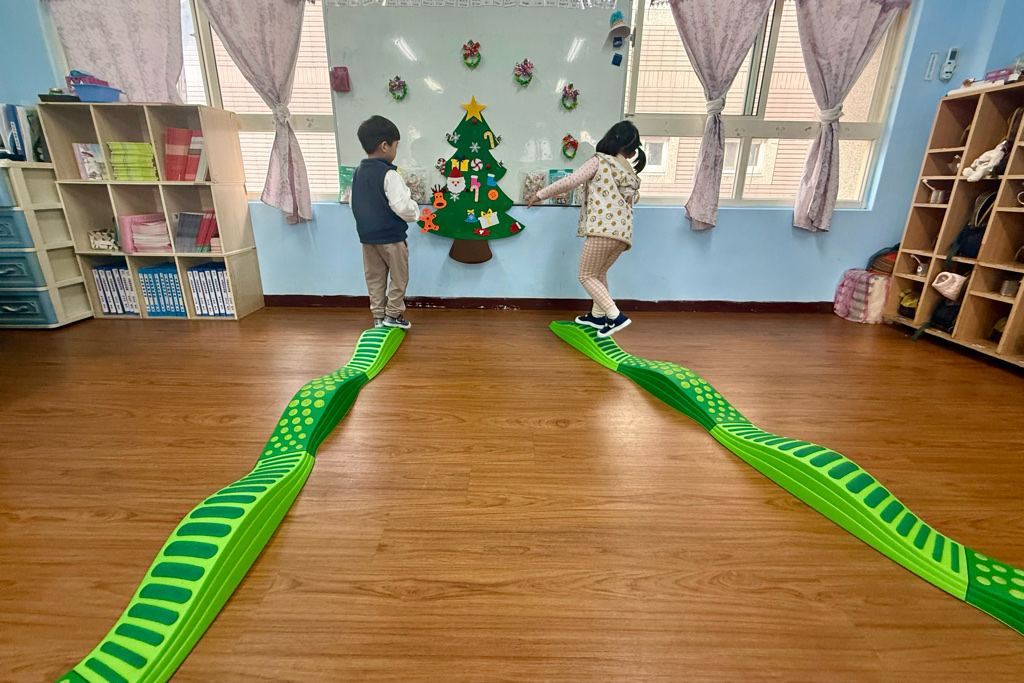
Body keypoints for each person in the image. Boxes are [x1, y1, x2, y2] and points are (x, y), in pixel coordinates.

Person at [527, 121, 644, 338]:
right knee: (598, 274)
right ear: (630, 150)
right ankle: (598, 316)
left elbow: (571, 181)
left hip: (601, 230)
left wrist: (540, 194)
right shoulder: (627, 170)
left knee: (586, 275)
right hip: (622, 235)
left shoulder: (599, 161)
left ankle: (615, 316)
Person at [352, 115, 419, 329]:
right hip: (391, 238)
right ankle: (393, 315)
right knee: (399, 277)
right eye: (396, 145)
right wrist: (415, 211)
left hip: (367, 238)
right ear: (384, 146)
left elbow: (355, 203)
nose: (396, 150)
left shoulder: (358, 173)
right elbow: (402, 207)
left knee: (374, 277)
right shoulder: (389, 174)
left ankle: (378, 316)